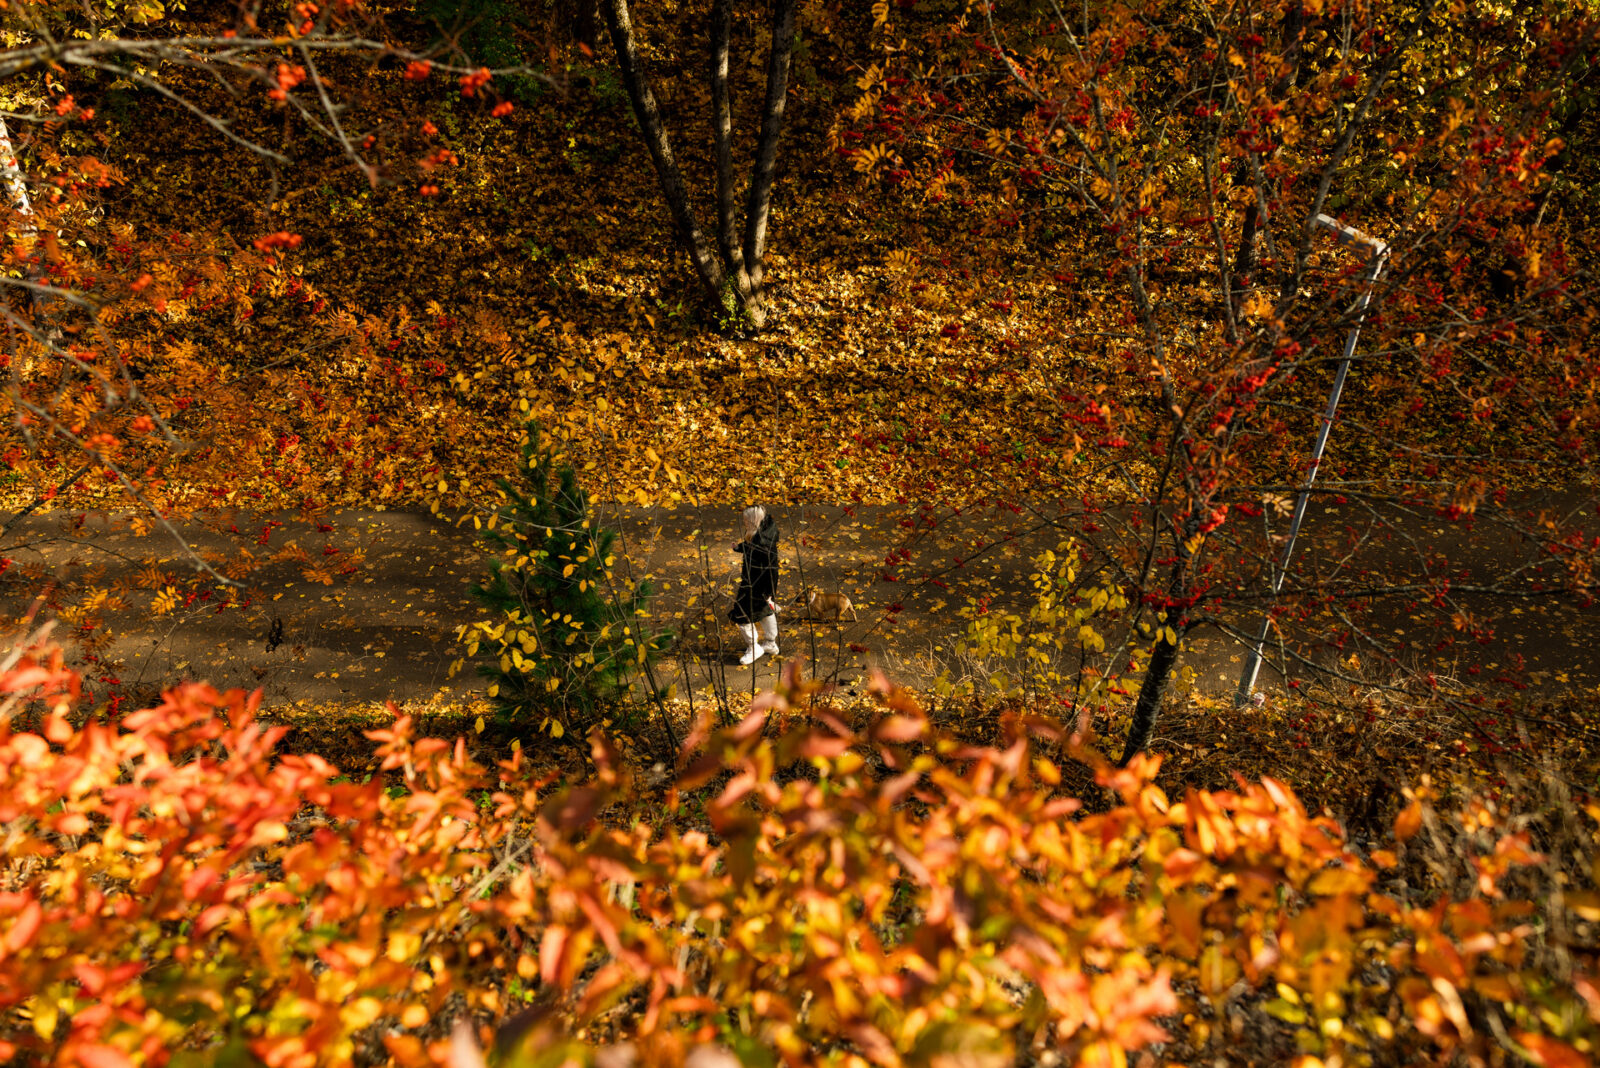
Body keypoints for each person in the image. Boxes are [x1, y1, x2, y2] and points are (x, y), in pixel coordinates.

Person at [730, 505, 779, 665]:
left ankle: (754, 647)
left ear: (753, 521)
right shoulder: (763, 535)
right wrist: (739, 548)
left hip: (755, 585)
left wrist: (769, 591)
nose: (744, 523)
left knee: (742, 614)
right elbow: (750, 547)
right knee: (765, 611)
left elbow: (772, 569)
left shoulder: (763, 543)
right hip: (758, 585)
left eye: (746, 520)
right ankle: (770, 643)